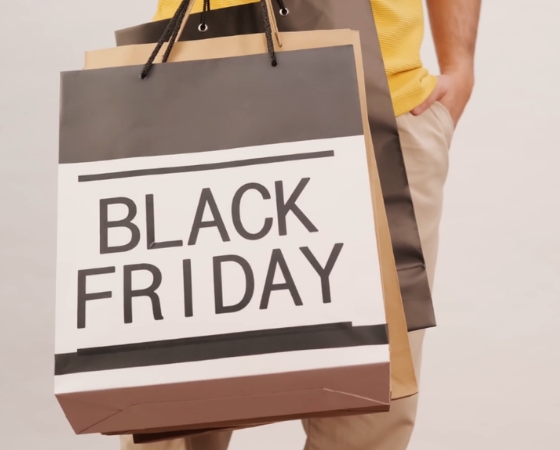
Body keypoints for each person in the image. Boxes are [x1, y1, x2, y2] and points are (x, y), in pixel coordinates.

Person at [121, 0, 480, 448]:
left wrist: (460, 62)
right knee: (174, 411)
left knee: (366, 417)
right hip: (195, 89)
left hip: (383, 100)